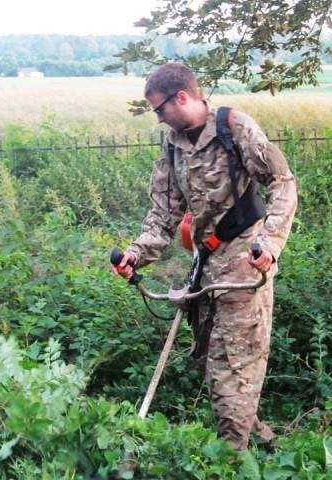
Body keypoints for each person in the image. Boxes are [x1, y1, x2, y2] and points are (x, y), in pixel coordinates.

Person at [113, 62, 297, 451]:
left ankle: (231, 460)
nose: (159, 118)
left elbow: (282, 184)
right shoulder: (172, 145)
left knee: (232, 362)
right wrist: (135, 254)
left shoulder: (235, 128)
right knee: (207, 358)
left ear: (181, 97)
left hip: (245, 262)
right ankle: (260, 439)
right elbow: (163, 212)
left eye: (159, 109)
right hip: (206, 262)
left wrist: (270, 244)